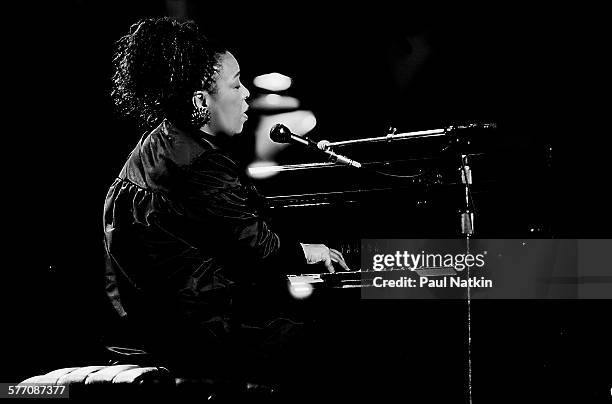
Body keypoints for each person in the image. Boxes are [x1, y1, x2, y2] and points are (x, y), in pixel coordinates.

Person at [103, 17, 349, 384]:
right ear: (200, 100)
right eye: (236, 84)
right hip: (201, 335)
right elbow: (258, 247)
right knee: (343, 343)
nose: (247, 93)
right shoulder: (201, 164)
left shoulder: (156, 147)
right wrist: (310, 251)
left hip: (148, 327)